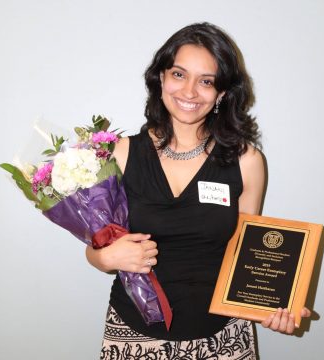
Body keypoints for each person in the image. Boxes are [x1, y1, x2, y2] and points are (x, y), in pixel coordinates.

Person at [86, 22, 311, 360]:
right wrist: (104, 258)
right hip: (134, 336)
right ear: (161, 78)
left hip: (223, 339)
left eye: (206, 81)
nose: (189, 92)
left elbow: (246, 255)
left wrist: (274, 302)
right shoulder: (119, 153)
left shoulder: (247, 161)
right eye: (179, 74)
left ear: (222, 93)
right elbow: (96, 248)